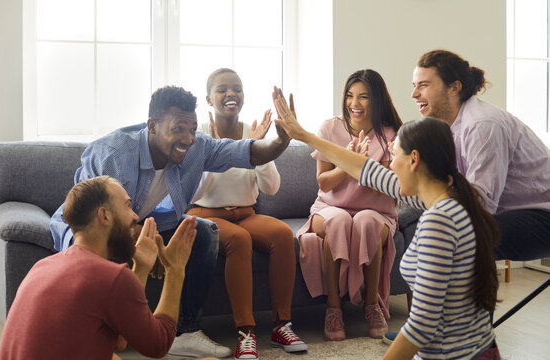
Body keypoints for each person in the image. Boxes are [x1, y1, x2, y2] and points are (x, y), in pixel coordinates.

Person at [49, 85, 291, 358]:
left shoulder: (196, 146)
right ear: (152, 125)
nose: (187, 139)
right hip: (91, 224)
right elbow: (94, 217)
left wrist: (282, 141)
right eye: (178, 129)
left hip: (151, 222)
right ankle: (93, 335)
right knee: (95, 255)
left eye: (191, 129)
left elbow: (250, 152)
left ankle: (185, 332)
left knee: (202, 232)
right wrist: (142, 238)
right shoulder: (112, 153)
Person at [273, 88, 501, 359]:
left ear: (414, 160)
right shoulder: (447, 199)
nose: (389, 166)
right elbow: (365, 170)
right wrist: (305, 136)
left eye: (394, 157)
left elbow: (421, 326)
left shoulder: (438, 220)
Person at [0, 176, 202, 360]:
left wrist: (141, 267)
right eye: (128, 206)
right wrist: (176, 270)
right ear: (104, 216)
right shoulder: (112, 277)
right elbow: (159, 344)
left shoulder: (42, 266)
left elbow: (120, 341)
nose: (134, 216)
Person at [186, 68, 307, 360]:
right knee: (239, 240)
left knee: (281, 233)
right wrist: (212, 152)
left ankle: (282, 325)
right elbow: (190, 193)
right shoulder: (199, 133)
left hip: (244, 212)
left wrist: (260, 151)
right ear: (208, 98)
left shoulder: (253, 133)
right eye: (223, 89)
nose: (231, 94)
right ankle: (246, 332)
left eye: (237, 89)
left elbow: (272, 187)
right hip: (205, 215)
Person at [411, 49, 550, 261]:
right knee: (438, 227)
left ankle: (470, 295)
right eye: (414, 86)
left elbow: (481, 204)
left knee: (464, 235)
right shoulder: (446, 128)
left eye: (423, 85)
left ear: (454, 88)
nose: (414, 94)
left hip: (542, 216)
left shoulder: (482, 124)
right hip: (512, 212)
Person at [295, 70, 402, 341]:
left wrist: (363, 167)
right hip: (329, 208)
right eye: (350, 95)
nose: (355, 103)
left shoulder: (391, 133)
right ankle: (333, 309)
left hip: (377, 211)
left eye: (364, 96)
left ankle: (371, 306)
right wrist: (350, 162)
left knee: (366, 221)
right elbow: (325, 183)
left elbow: (386, 190)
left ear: (377, 100)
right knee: (339, 220)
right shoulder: (329, 128)